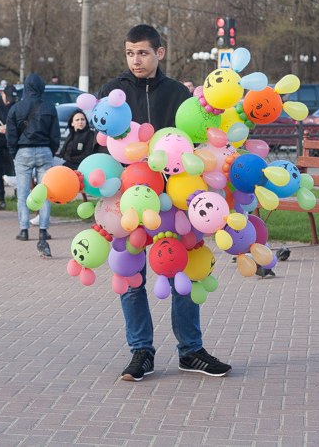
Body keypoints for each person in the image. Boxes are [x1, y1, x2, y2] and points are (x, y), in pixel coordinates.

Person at [98, 24, 231, 382]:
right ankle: (141, 351)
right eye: (129, 53)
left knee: (182, 270)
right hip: (128, 198)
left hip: (173, 197)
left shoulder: (177, 94)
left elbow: (192, 143)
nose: (135, 60)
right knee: (130, 275)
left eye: (142, 52)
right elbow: (103, 145)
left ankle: (191, 351)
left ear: (159, 53)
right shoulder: (113, 92)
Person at [6, 73, 60, 256]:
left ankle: (23, 230)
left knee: (23, 193)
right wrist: (50, 150)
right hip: (45, 150)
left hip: (23, 152)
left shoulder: (16, 108)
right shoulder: (49, 107)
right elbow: (55, 134)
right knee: (45, 193)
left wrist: (15, 154)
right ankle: (43, 230)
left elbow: (11, 136)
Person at [0, 83, 18, 210]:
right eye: (8, 99)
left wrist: (11, 128)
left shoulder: (15, 103)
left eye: (12, 100)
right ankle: (1, 199)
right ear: (3, 94)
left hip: (11, 140)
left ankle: (19, 195)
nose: (9, 102)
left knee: (17, 168)